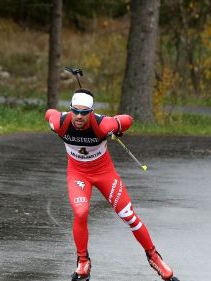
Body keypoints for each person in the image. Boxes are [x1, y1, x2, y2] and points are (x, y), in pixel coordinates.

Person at [45, 88, 179, 281]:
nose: (79, 116)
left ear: (91, 112)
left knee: (128, 216)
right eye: (75, 111)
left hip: (104, 173)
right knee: (81, 212)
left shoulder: (102, 125)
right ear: (71, 109)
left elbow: (128, 119)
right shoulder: (60, 123)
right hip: (78, 174)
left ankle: (154, 257)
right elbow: (49, 113)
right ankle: (83, 261)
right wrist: (53, 121)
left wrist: (117, 127)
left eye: (84, 112)